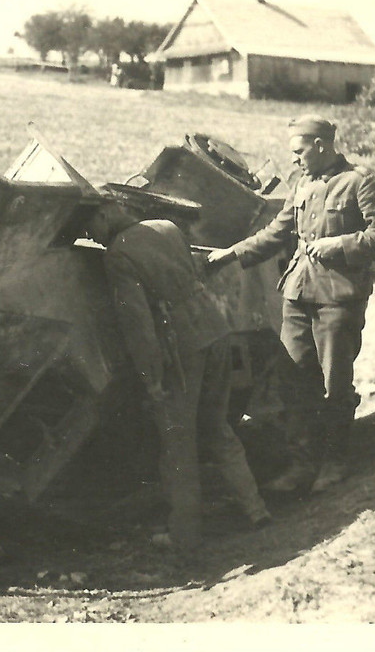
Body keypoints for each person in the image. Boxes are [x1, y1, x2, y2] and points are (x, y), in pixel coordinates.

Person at [206, 116, 375, 493]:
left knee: (334, 385)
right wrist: (232, 253)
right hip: (296, 294)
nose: (293, 160)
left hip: (338, 298)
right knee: (293, 379)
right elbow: (278, 232)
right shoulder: (302, 184)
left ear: (321, 146)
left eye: (299, 152)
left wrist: (338, 245)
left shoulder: (359, 183)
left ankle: (334, 461)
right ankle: (301, 464)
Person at [86, 196, 271, 550]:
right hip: (215, 330)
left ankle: (185, 534)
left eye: (89, 226)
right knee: (218, 427)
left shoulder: (117, 255)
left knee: (177, 441)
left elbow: (137, 323)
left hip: (181, 348)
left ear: (106, 212)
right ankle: (256, 508)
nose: (90, 236)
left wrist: (151, 378)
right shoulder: (166, 227)